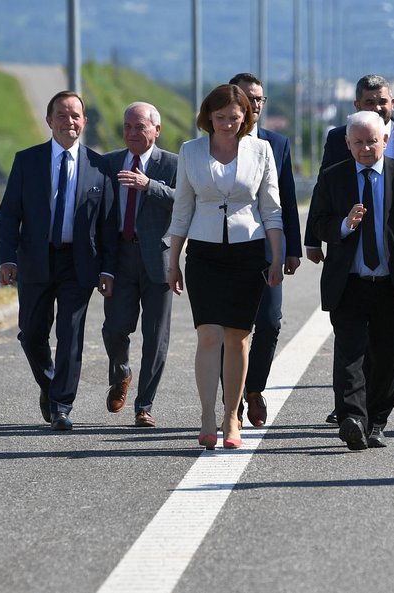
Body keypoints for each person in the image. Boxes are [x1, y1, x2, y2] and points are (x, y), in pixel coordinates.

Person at [304, 73, 394, 424]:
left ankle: (377, 420)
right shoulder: (336, 175)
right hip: (349, 277)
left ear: (385, 138)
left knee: (385, 357)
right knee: (349, 353)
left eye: (373, 141)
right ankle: (351, 417)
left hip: (392, 277)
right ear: (349, 143)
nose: (366, 148)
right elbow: (319, 213)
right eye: (359, 142)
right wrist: (341, 227)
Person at [166, 84, 283, 450]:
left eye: (235, 118)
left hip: (248, 253)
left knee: (238, 337)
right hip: (203, 253)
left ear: (246, 117)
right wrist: (173, 261)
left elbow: (271, 208)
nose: (228, 124)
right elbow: (182, 208)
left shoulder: (261, 150)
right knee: (209, 335)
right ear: (208, 118)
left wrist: (277, 257)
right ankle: (205, 416)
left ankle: (231, 416)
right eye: (220, 118)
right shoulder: (190, 151)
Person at [0, 90, 118, 431]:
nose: (69, 121)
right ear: (49, 121)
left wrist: (108, 268)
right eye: (62, 115)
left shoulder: (100, 166)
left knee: (70, 334)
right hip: (35, 259)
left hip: (79, 264)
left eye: (75, 115)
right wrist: (6, 258)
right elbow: (9, 215)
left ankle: (62, 405)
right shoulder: (28, 161)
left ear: (85, 121)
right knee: (31, 335)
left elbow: (108, 224)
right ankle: (50, 386)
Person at [228, 72, 303, 427]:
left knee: (269, 323)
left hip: (268, 246)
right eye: (248, 98)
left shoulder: (277, 143)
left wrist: (292, 249)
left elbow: (287, 199)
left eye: (259, 99)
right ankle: (233, 400)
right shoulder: (217, 143)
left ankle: (254, 388)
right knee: (232, 327)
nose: (255, 105)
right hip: (227, 249)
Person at [101, 102, 178, 428]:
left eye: (140, 127)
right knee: (115, 328)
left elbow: (185, 201)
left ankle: (143, 406)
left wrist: (150, 186)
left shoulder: (172, 163)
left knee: (156, 337)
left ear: (156, 130)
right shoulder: (109, 163)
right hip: (119, 257)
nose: (132, 133)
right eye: (128, 127)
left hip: (157, 258)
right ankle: (122, 372)